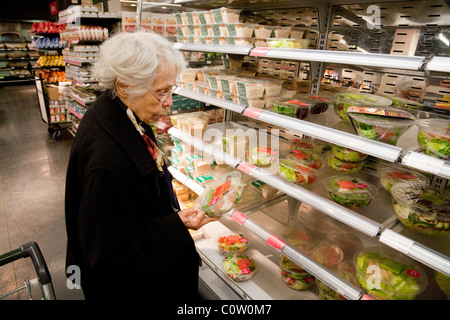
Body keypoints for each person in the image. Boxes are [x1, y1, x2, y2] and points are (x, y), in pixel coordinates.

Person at [64, 31, 218, 300]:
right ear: (124, 85)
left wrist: (174, 218)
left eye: (171, 90)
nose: (168, 102)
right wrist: (174, 227)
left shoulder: (113, 110)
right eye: (161, 92)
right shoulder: (108, 161)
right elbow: (111, 254)